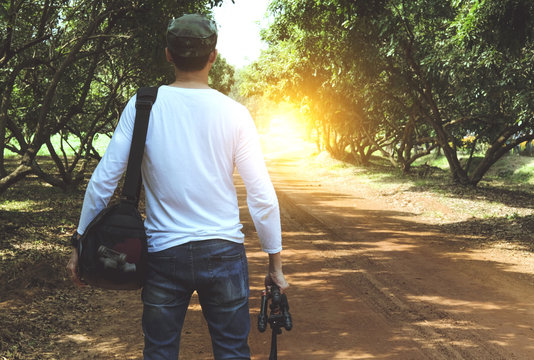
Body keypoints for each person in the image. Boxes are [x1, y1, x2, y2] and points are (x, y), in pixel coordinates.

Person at [67, 13, 288, 360]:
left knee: (159, 353)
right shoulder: (235, 114)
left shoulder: (143, 106)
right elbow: (261, 195)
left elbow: (105, 178)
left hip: (163, 253)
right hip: (224, 252)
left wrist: (80, 241)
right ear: (213, 55)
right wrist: (274, 264)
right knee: (232, 352)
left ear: (168, 54)